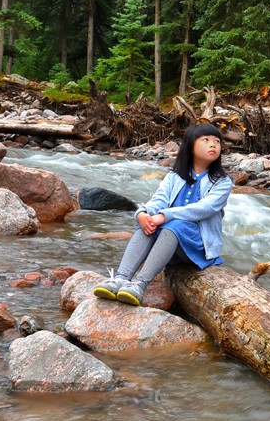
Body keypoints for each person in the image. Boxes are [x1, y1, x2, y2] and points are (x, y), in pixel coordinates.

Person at [94, 123, 233, 306]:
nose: (213, 145)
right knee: (148, 224)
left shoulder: (222, 181)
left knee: (172, 225)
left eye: (217, 141)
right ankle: (121, 278)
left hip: (199, 244)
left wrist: (165, 215)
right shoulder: (175, 176)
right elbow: (158, 200)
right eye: (206, 140)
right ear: (190, 146)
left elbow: (204, 208)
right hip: (170, 244)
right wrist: (143, 213)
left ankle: (140, 285)